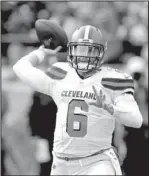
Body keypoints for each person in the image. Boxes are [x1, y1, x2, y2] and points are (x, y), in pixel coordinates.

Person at [13, 25, 143, 175]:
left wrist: (110, 108)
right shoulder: (61, 74)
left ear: (101, 52)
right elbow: (20, 67)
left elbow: (136, 120)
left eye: (91, 50)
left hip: (97, 161)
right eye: (80, 49)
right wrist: (42, 51)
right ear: (71, 50)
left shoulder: (112, 80)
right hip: (61, 162)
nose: (84, 56)